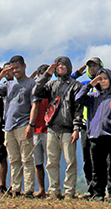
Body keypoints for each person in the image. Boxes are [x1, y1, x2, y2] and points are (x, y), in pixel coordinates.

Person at [33, 56, 84, 199]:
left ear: (69, 67)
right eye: (58, 65)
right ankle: (54, 190)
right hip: (52, 129)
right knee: (51, 162)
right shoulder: (51, 85)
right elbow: (36, 91)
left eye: (63, 65)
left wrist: (76, 128)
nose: (60, 67)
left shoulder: (76, 86)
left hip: (68, 129)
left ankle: (69, 192)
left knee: (70, 162)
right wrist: (47, 75)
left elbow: (78, 108)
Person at [0, 55, 38, 197]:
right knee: (14, 159)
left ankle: (28, 189)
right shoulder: (9, 84)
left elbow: (35, 105)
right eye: (13, 68)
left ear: (24, 66)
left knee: (27, 158)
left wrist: (31, 124)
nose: (15, 70)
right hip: (8, 127)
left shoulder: (31, 83)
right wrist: (1, 76)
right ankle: (15, 188)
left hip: (23, 124)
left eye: (17, 67)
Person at [75, 68, 111, 201]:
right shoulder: (93, 97)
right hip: (94, 136)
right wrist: (89, 85)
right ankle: (98, 193)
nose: (103, 81)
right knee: (97, 167)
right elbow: (78, 98)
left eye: (105, 79)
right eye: (100, 79)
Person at [72, 56, 104, 197]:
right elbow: (69, 82)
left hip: (102, 127)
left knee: (102, 159)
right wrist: (77, 74)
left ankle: (102, 189)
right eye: (90, 66)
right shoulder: (85, 84)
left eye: (95, 66)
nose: (92, 69)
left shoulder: (106, 83)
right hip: (86, 126)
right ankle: (92, 189)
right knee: (87, 159)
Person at [32, 64, 50, 198]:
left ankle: (53, 189)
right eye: (42, 74)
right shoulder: (33, 91)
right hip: (35, 131)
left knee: (51, 163)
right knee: (38, 163)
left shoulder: (52, 90)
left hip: (49, 131)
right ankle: (41, 190)